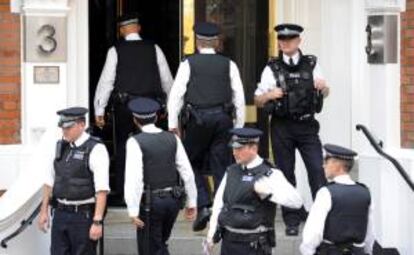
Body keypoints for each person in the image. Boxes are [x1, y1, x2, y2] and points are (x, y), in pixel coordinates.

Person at [168, 21, 245, 231]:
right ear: (216, 42)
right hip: (223, 120)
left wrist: (172, 124)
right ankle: (222, 212)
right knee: (221, 164)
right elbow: (239, 96)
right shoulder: (228, 64)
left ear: (198, 42)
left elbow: (175, 96)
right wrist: (239, 126)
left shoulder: (188, 63)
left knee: (189, 159)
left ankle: (204, 204)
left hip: (198, 120)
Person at [254, 23, 330, 236]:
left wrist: (323, 88)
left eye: (290, 39)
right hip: (282, 127)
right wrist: (269, 95)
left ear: (298, 41)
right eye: (282, 40)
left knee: (317, 170)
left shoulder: (312, 64)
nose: (285, 43)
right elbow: (258, 100)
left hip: (307, 126)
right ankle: (292, 220)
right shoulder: (271, 68)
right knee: (286, 173)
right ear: (278, 42)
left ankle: (322, 216)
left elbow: (325, 91)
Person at [93, 13, 174, 201]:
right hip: (151, 107)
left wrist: (99, 110)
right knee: (151, 147)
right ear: (138, 28)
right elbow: (167, 80)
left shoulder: (115, 50)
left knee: (123, 148)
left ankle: (124, 193)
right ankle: (151, 191)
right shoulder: (154, 48)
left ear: (121, 31)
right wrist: (170, 107)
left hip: (125, 108)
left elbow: (107, 82)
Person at [206, 127, 303, 255]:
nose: (234, 152)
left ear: (253, 148)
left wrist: (269, 194)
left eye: (239, 149)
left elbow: (296, 201)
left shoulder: (270, 173)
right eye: (234, 148)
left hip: (254, 244)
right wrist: (211, 233)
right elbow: (219, 204)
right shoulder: (231, 171)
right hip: (229, 242)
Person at [124, 97, 198, 254]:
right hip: (172, 201)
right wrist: (192, 201)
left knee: (150, 249)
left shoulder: (135, 142)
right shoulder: (173, 138)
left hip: (151, 203)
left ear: (135, 120)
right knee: (159, 245)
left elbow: (134, 178)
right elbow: (187, 172)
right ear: (156, 117)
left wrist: (132, 209)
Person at [38, 107, 110, 254]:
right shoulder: (60, 147)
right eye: (63, 127)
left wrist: (97, 221)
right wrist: (44, 210)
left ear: (82, 125)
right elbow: (49, 181)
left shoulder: (96, 149)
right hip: (60, 213)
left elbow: (102, 189)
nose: (65, 131)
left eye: (69, 127)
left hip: (83, 217)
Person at [300, 144, 375, 255]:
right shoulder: (365, 192)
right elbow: (370, 233)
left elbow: (313, 233)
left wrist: (307, 251)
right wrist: (368, 251)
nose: (323, 165)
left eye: (327, 162)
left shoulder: (326, 193)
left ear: (337, 165)